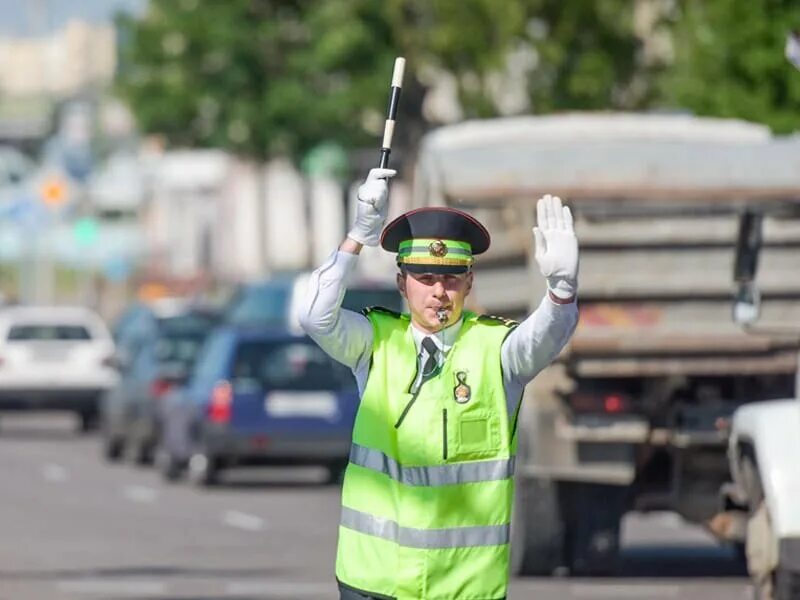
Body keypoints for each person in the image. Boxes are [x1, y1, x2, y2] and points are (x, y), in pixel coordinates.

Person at [299, 167, 579, 600]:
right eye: (425, 279)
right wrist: (357, 236)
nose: (439, 292)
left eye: (450, 279)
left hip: (463, 587)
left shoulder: (496, 351)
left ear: (469, 282)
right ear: (402, 284)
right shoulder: (374, 343)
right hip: (374, 582)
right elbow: (315, 315)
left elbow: (545, 337)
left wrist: (561, 290)